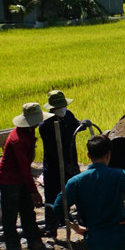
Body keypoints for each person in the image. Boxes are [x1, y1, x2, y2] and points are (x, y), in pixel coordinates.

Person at [0, 103, 52, 250]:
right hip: (9, 178)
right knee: (10, 214)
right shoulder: (18, 139)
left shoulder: (28, 132)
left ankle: (34, 242)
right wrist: (34, 191)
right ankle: (13, 247)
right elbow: (24, 168)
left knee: (28, 210)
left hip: (20, 176)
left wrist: (30, 191)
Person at [39, 90, 81, 238]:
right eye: (59, 107)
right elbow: (52, 151)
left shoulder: (68, 115)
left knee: (77, 193)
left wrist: (83, 124)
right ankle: (51, 227)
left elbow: (76, 125)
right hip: (54, 168)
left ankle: (75, 221)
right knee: (52, 198)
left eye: (63, 106)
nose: (63, 109)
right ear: (51, 109)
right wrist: (64, 165)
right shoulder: (45, 125)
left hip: (71, 162)